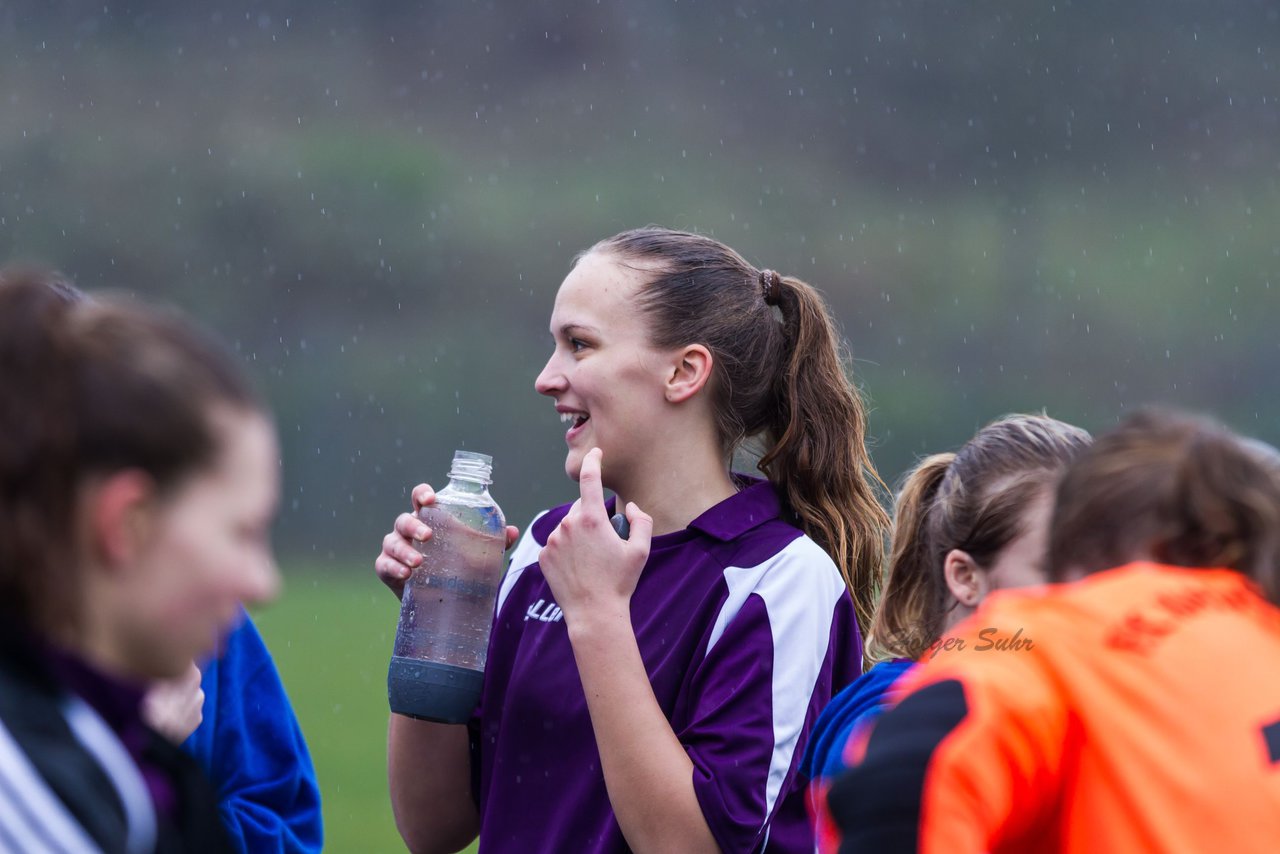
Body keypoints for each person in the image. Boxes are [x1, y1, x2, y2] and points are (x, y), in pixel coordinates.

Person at [375, 226, 890, 852]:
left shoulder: (781, 580)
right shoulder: (545, 547)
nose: (545, 378)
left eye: (579, 345)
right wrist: (433, 629)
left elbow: (692, 846)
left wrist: (596, 613)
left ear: (683, 372)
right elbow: (433, 825)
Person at [828, 408, 1280, 853]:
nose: (1085, 595)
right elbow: (906, 777)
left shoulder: (1124, 666)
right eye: (1054, 567)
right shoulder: (1036, 659)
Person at [14, 270, 325, 853]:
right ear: (127, 519)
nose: (260, 581)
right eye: (238, 531)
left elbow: (287, 821)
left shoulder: (203, 624)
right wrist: (132, 750)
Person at [801, 413, 1090, 851]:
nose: (1089, 598)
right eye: (1054, 569)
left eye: (1105, 572)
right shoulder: (889, 727)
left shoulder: (1075, 711)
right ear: (965, 577)